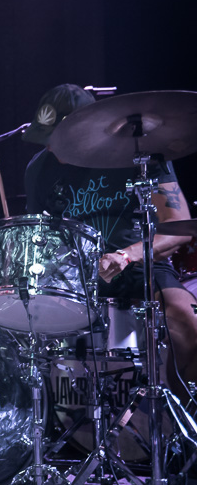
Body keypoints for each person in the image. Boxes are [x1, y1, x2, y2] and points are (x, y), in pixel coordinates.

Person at [23, 84, 197, 401]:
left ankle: (180, 424)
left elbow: (177, 227)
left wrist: (126, 255)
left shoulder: (140, 153)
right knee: (27, 333)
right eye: (45, 139)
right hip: (76, 279)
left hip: (141, 267)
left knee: (187, 320)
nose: (50, 148)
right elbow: (40, 237)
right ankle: (52, 431)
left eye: (57, 138)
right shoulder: (38, 168)